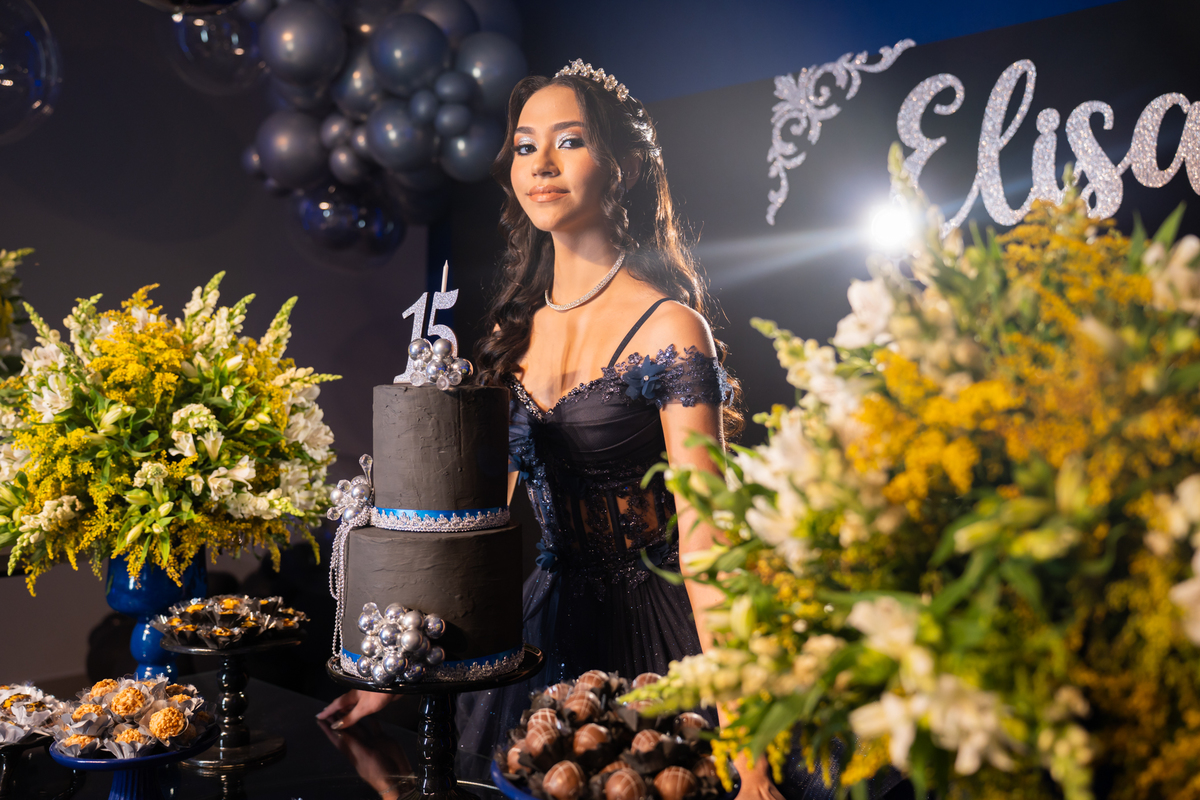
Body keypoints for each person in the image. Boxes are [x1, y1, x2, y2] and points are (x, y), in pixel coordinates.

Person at [320, 61, 887, 800]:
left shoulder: (670, 328)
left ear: (621, 168)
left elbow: (709, 542)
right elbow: (472, 532)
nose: (541, 165)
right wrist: (394, 674)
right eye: (525, 147)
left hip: (665, 634)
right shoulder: (510, 335)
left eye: (570, 141)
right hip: (546, 626)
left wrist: (751, 755)